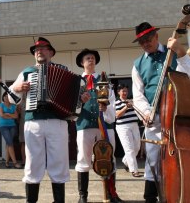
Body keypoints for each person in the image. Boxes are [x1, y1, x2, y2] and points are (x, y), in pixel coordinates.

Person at [131, 22, 190, 203]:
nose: (145, 43)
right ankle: (150, 197)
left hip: (177, 115)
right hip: (155, 118)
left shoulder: (173, 53)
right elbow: (138, 94)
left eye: (148, 39)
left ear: (156, 36)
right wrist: (146, 113)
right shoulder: (137, 64)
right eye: (141, 41)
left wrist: (181, 52)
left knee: (179, 160)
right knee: (152, 161)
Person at [9, 37, 69, 203]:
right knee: (33, 162)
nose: (39, 52)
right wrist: (17, 88)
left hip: (58, 121)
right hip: (33, 121)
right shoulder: (27, 72)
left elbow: (76, 96)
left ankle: (59, 201)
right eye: (36, 50)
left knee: (59, 161)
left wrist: (81, 99)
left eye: (43, 48)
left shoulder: (63, 71)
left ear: (51, 52)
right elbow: (11, 97)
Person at [75, 48, 122, 203]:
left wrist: (106, 108)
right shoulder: (76, 82)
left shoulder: (104, 80)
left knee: (109, 158)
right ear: (82, 63)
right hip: (84, 124)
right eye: (87, 58)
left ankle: (111, 194)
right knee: (83, 159)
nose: (91, 59)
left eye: (93, 58)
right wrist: (79, 103)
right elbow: (70, 105)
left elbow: (113, 102)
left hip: (105, 125)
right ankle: (83, 196)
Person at [114, 84, 142, 178]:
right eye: (123, 91)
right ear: (119, 92)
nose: (125, 93)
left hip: (134, 125)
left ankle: (126, 161)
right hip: (123, 127)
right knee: (129, 148)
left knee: (137, 147)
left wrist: (133, 105)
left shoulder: (132, 101)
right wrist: (126, 107)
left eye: (126, 91)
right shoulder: (116, 103)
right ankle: (134, 170)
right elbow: (117, 115)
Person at [0, 91, 21, 169]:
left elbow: (16, 116)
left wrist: (7, 114)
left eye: (7, 96)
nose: (5, 98)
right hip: (3, 126)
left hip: (12, 126)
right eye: (4, 96)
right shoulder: (1, 105)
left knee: (8, 143)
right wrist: (11, 116)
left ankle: (7, 162)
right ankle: (15, 163)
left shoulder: (13, 106)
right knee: (10, 143)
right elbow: (2, 115)